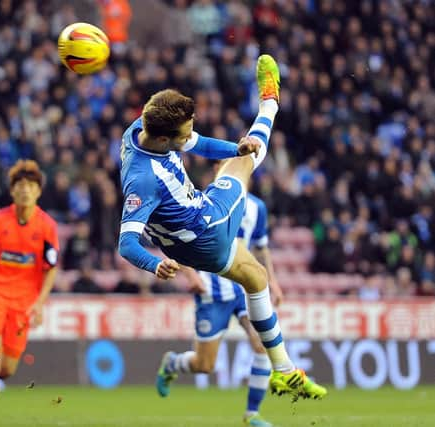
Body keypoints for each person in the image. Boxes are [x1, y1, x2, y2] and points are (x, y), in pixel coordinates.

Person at [118, 55, 326, 399]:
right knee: (249, 159)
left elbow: (197, 143)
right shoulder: (142, 181)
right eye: (184, 131)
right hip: (205, 228)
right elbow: (127, 245)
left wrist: (233, 147)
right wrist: (154, 264)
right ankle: (270, 101)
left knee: (256, 278)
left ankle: (285, 372)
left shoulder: (140, 129)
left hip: (194, 237)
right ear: (166, 139)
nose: (191, 134)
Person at [156, 193, 284, 427]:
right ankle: (173, 363)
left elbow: (261, 249)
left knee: (262, 345)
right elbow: (179, 239)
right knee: (204, 365)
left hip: (243, 288)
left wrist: (272, 281)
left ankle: (252, 414)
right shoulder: (201, 199)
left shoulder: (257, 207)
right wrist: (190, 273)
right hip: (211, 293)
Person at [0, 159, 59, 380]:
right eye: (20, 186)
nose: (25, 191)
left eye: (30, 187)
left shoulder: (47, 226)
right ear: (12, 191)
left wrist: (39, 304)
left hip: (24, 302)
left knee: (6, 370)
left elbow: (51, 267)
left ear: (38, 192)